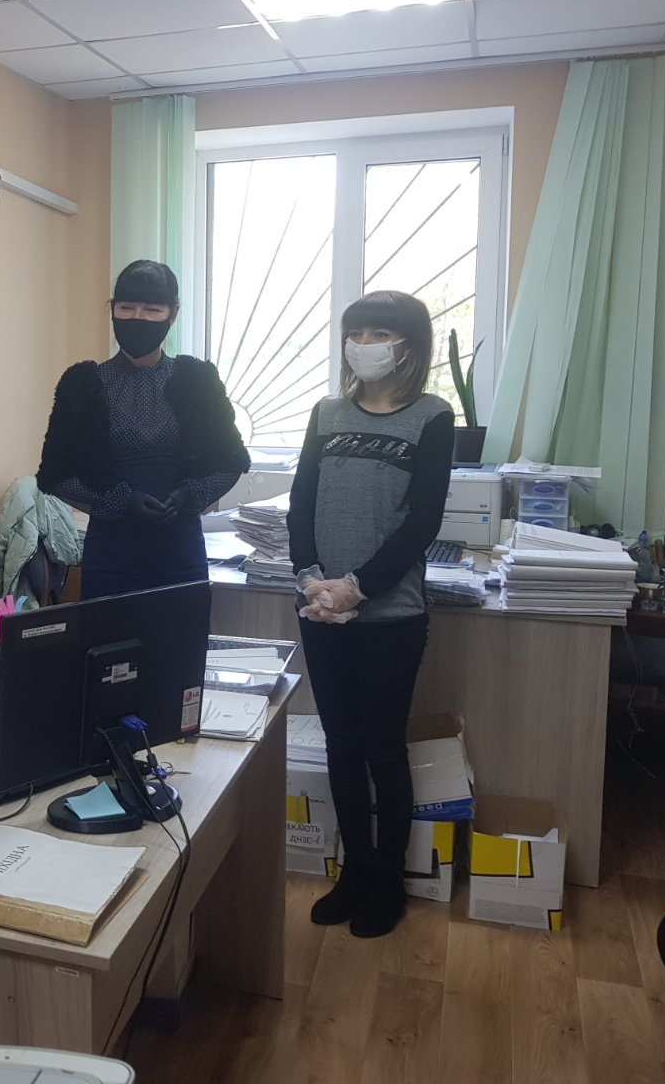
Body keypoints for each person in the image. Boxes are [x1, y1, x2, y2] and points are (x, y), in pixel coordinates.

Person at [286, 289, 454, 939]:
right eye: (356, 332)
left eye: (379, 333)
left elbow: (423, 521)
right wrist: (310, 577)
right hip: (320, 610)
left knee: (383, 748)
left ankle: (388, 882)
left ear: (408, 345)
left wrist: (357, 588)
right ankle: (353, 871)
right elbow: (301, 503)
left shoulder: (432, 417)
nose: (364, 344)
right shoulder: (326, 413)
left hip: (391, 615)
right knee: (342, 745)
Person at [36, 259, 247, 600]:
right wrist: (120, 502)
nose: (138, 318)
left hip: (180, 554)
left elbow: (232, 461)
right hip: (112, 556)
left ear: (173, 314)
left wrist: (189, 495)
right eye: (127, 307)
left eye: (152, 309)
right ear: (112, 310)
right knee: (108, 635)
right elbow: (56, 475)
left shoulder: (198, 381)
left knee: (179, 635)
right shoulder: (83, 384)